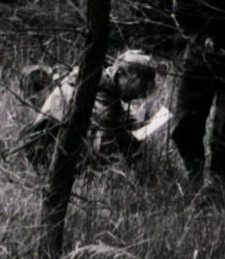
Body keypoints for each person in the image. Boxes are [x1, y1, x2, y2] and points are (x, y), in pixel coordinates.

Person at [130, 0, 225, 189]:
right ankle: (194, 177)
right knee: (183, 125)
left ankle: (220, 185)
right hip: (198, 57)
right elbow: (180, 18)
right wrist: (201, 40)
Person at [21, 50, 157, 171]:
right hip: (45, 155)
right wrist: (130, 150)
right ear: (120, 74)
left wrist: (138, 127)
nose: (143, 94)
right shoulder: (94, 91)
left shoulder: (103, 83)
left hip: (52, 149)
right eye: (138, 86)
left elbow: (122, 118)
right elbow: (104, 151)